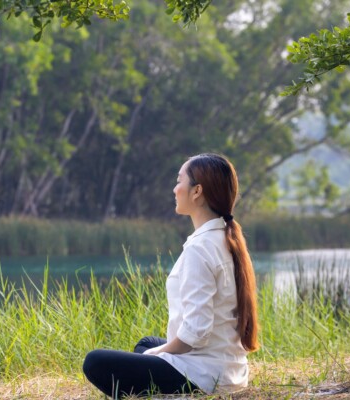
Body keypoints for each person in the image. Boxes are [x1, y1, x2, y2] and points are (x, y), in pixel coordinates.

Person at [82, 153, 260, 398]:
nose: (175, 189)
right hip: (227, 369)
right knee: (146, 343)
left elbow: (197, 332)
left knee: (95, 362)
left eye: (179, 181)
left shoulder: (201, 248)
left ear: (196, 191)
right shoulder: (224, 239)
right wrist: (158, 351)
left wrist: (160, 353)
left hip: (205, 376)